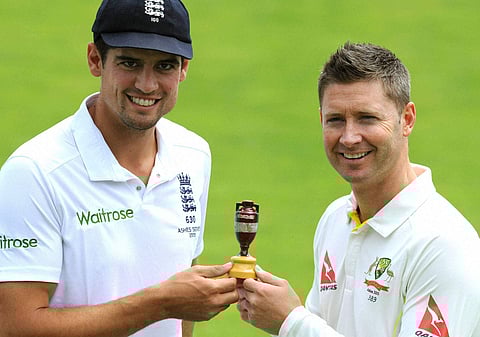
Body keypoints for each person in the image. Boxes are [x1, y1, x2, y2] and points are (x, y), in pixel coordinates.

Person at [0, 1, 239, 336]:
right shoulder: (33, 173)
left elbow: (183, 307)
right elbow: (16, 326)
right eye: (130, 62)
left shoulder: (193, 154)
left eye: (164, 66)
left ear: (184, 69)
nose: (146, 84)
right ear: (95, 60)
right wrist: (161, 303)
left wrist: (178, 304)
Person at [237, 42, 480, 337]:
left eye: (367, 118)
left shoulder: (443, 244)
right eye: (336, 120)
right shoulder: (336, 217)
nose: (349, 137)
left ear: (407, 120)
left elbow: (302, 328)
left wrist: (291, 321)